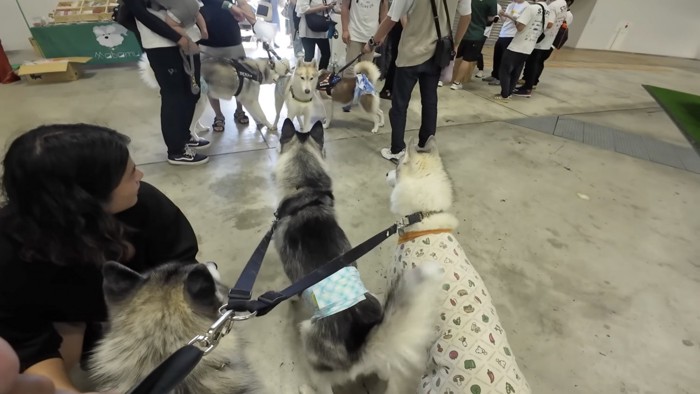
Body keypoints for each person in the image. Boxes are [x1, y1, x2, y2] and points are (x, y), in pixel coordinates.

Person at [0, 124, 202, 392]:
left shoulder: (145, 204)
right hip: (62, 316)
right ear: (85, 200)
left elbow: (181, 269)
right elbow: (27, 340)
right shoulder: (8, 251)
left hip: (139, 304)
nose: (140, 175)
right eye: (130, 174)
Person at [363, 0, 472, 161]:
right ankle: (426, 144)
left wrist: (372, 42)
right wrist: (455, 44)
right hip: (437, 54)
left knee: (400, 104)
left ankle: (397, 149)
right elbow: (466, 16)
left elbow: (392, 18)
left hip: (410, 54)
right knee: (429, 101)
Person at [123, 0, 210, 165]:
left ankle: (184, 136)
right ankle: (176, 151)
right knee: (174, 96)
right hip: (162, 44)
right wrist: (177, 38)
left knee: (192, 91)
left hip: (190, 37)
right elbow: (140, 13)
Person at [199, 0, 256, 131]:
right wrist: (228, 5)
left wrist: (255, 23)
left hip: (232, 37)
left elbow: (242, 3)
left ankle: (240, 110)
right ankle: (218, 115)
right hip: (207, 39)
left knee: (241, 77)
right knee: (210, 80)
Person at [514, 0, 573, 96]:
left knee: (533, 63)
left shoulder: (554, 5)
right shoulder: (563, 4)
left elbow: (549, 24)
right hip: (549, 40)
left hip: (542, 40)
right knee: (536, 63)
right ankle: (529, 84)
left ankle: (527, 88)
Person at [494, 0, 548, 101]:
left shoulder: (531, 8)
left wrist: (510, 17)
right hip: (530, 45)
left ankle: (504, 94)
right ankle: (509, 93)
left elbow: (520, 27)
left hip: (518, 44)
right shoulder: (547, 10)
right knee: (516, 70)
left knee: (504, 69)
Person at [449, 0, 497, 90]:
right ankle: (456, 83)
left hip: (462, 32)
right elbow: (491, 19)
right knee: (467, 59)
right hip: (476, 34)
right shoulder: (492, 1)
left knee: (454, 56)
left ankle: (442, 79)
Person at [482, 0, 529, 86]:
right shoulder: (511, 5)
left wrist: (508, 15)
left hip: (512, 35)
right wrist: (501, 14)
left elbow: (521, 23)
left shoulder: (526, 7)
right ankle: (495, 75)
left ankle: (500, 78)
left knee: (504, 59)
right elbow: (505, 20)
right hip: (503, 33)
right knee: (497, 56)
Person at [296, 0, 336, 70]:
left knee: (326, 54)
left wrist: (329, 7)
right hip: (307, 29)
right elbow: (303, 9)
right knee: (309, 56)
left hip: (321, 27)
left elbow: (326, 10)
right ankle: (307, 78)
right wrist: (320, 8)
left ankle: (321, 76)